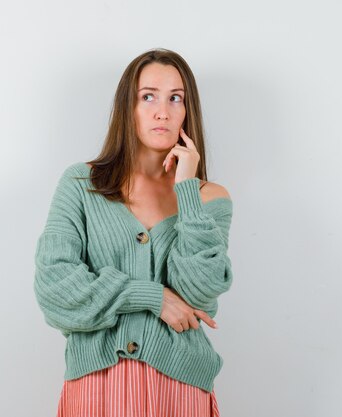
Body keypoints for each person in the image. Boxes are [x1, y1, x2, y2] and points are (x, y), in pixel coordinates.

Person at [33, 48, 234, 417]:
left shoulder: (209, 198)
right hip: (96, 389)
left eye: (176, 98)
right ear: (129, 107)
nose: (163, 111)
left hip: (180, 390)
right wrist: (151, 296)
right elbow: (55, 288)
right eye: (148, 97)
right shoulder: (81, 184)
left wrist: (187, 190)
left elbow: (199, 293)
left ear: (188, 111)